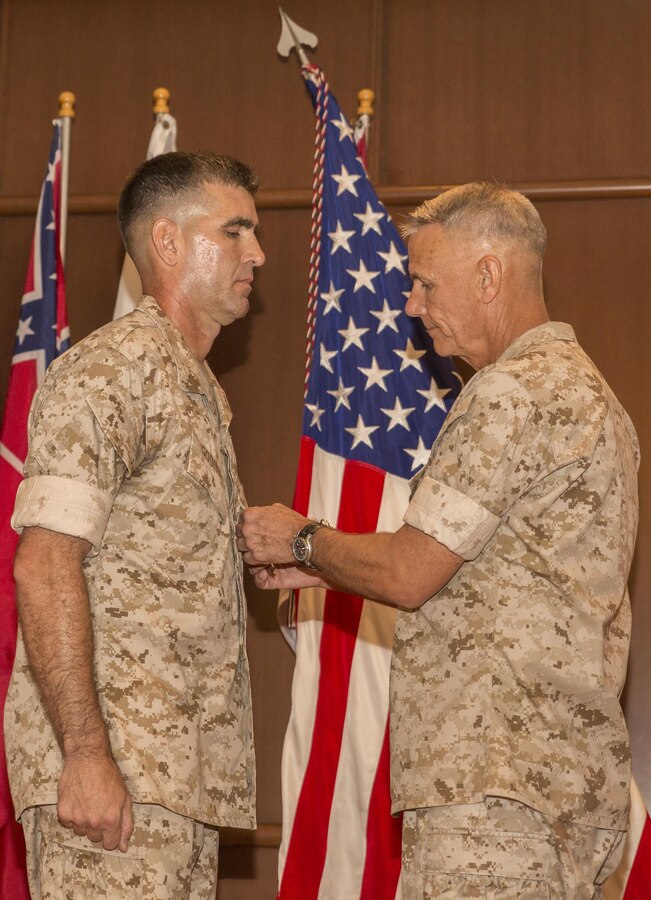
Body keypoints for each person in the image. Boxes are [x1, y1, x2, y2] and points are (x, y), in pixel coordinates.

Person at [238, 183, 639, 898]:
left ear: (488, 275)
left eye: (424, 282)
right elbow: (499, 570)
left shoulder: (506, 393)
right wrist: (330, 570)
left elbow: (411, 572)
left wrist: (302, 538)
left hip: (492, 792)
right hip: (561, 787)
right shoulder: (593, 398)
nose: (411, 306)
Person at [5, 150, 265, 898]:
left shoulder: (196, 388)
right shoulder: (113, 370)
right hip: (114, 772)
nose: (258, 252)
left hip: (177, 777)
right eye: (236, 230)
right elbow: (43, 564)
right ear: (168, 242)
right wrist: (85, 756)